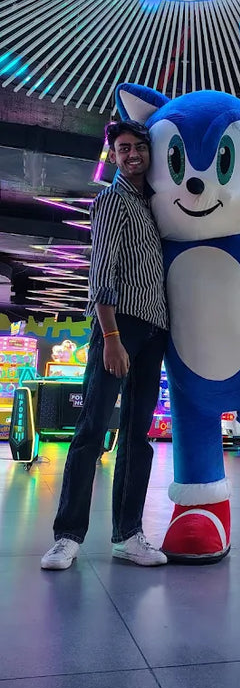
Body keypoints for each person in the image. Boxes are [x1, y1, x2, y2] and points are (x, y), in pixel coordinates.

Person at [41, 120, 169, 570]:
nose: (132, 155)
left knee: (137, 436)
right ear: (112, 156)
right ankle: (68, 536)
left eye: (139, 147)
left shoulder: (154, 205)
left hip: (154, 331)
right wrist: (111, 336)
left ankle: (128, 535)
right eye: (123, 148)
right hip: (119, 328)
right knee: (91, 431)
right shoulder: (112, 200)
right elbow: (102, 273)